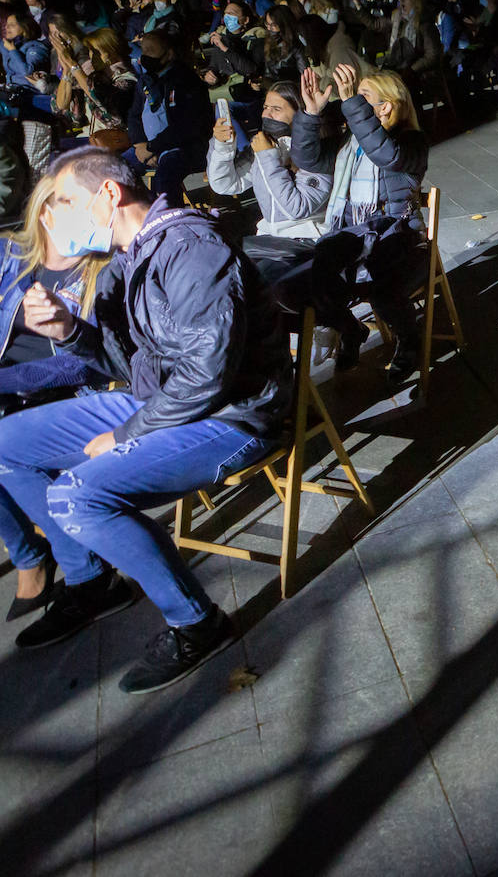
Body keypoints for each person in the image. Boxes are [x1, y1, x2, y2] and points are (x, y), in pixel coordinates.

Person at [0, 147, 292, 693]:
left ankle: (197, 624)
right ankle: (91, 583)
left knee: (75, 496)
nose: (50, 215)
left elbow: (208, 374)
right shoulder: (125, 259)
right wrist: (70, 333)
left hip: (233, 417)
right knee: (4, 444)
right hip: (165, 403)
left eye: (62, 201)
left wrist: (126, 434)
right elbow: (131, 368)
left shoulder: (190, 247)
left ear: (108, 195)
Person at [0, 175, 115, 620]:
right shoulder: (12, 255)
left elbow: (86, 363)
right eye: (63, 204)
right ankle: (31, 554)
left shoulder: (103, 264)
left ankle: (81, 570)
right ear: (42, 210)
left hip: (70, 391)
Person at [290, 65, 428, 378]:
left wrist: (351, 104)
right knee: (311, 277)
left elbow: (386, 155)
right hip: (351, 238)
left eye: (360, 98)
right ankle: (350, 329)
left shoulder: (411, 142)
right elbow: (306, 159)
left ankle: (409, 339)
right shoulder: (349, 144)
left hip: (398, 239)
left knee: (379, 284)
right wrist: (310, 114)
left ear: (386, 106)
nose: (348, 102)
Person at [207, 79, 329, 239]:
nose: (267, 114)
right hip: (270, 237)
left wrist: (267, 157)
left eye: (276, 109)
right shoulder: (268, 144)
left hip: (309, 239)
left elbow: (297, 209)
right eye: (265, 107)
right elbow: (225, 184)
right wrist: (223, 146)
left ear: (298, 113)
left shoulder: (318, 149)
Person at [122, 30, 213, 203]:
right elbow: (133, 115)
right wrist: (140, 144)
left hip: (183, 147)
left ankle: (172, 223)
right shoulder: (146, 81)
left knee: (164, 181)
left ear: (169, 54)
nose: (145, 56)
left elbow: (186, 126)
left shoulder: (186, 81)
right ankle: (142, 213)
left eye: (151, 51)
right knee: (117, 170)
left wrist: (152, 148)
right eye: (144, 50)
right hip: (148, 146)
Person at [50, 26, 138, 140]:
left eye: (96, 52)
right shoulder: (96, 76)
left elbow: (104, 103)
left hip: (113, 141)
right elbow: (61, 106)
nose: (92, 56)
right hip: (89, 137)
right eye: (90, 51)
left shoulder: (127, 79)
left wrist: (73, 65)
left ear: (112, 51)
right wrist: (67, 69)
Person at [3, 11, 50, 92]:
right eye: (6, 24)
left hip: (30, 95)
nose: (6, 27)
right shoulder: (15, 45)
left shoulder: (36, 47)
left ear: (24, 27)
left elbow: (27, 72)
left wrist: (12, 51)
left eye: (12, 25)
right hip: (12, 92)